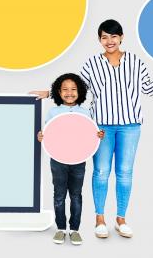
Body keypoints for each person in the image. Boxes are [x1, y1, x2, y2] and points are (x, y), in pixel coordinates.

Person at [31, 19, 153, 239]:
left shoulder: (135, 62)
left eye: (113, 36)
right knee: (101, 172)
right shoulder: (92, 64)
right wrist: (49, 92)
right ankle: (99, 219)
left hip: (130, 126)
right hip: (101, 127)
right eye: (104, 37)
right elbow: (75, 88)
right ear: (99, 40)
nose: (109, 41)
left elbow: (148, 89)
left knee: (124, 173)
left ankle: (121, 219)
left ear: (121, 37)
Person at [37, 73, 105, 246]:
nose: (69, 93)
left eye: (73, 89)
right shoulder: (53, 112)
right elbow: (48, 133)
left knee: (76, 195)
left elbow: (88, 133)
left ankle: (74, 230)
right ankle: (60, 229)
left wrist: (98, 135)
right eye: (65, 89)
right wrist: (41, 136)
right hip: (58, 160)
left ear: (80, 91)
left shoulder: (86, 112)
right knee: (59, 195)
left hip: (78, 161)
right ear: (58, 92)